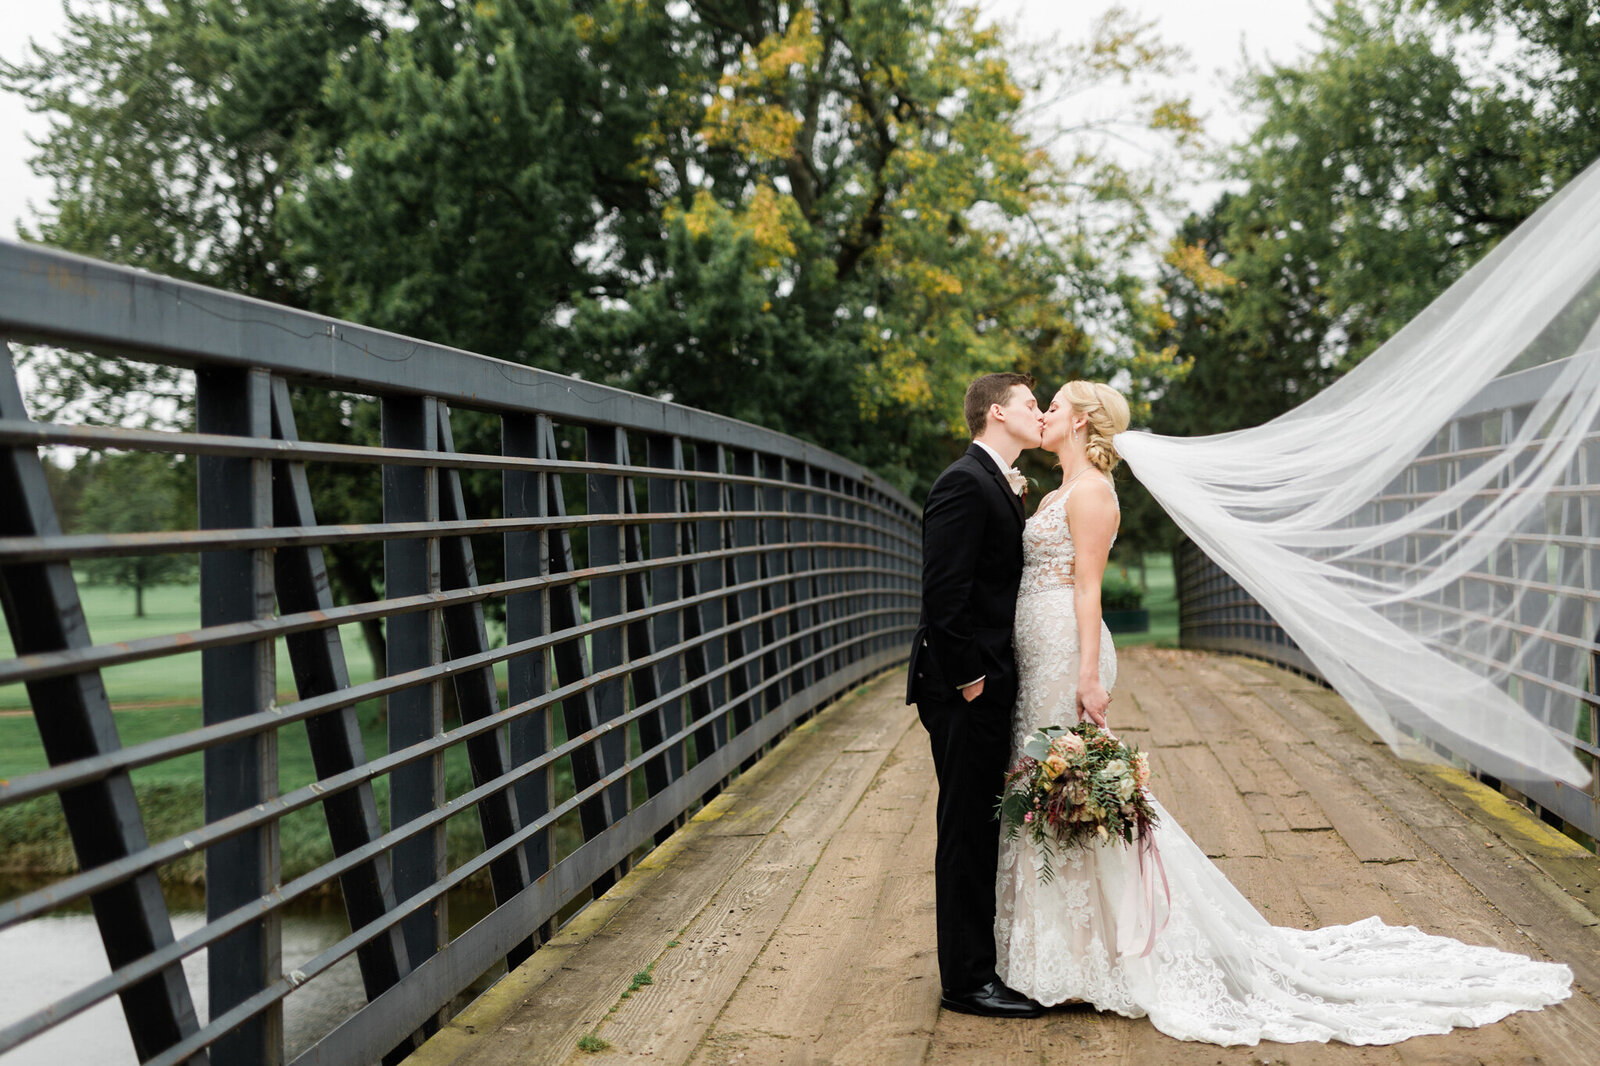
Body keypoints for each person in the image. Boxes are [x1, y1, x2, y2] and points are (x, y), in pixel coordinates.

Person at [992, 380, 1574, 1044]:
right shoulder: (1054, 491)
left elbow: (1088, 588)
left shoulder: (1093, 494)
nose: (1045, 413)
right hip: (1039, 651)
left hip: (1071, 652)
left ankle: (1088, 959)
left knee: (1069, 787)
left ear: (1082, 422)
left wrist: (1090, 675)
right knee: (1044, 783)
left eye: (1056, 405)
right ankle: (1061, 951)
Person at [907, 371, 1047, 1018]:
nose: (1039, 411)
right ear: (996, 413)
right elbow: (943, 594)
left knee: (980, 827)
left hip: (987, 682)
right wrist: (969, 681)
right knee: (966, 832)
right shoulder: (964, 483)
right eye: (1029, 403)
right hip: (965, 688)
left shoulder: (999, 481)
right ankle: (965, 982)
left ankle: (979, 964)